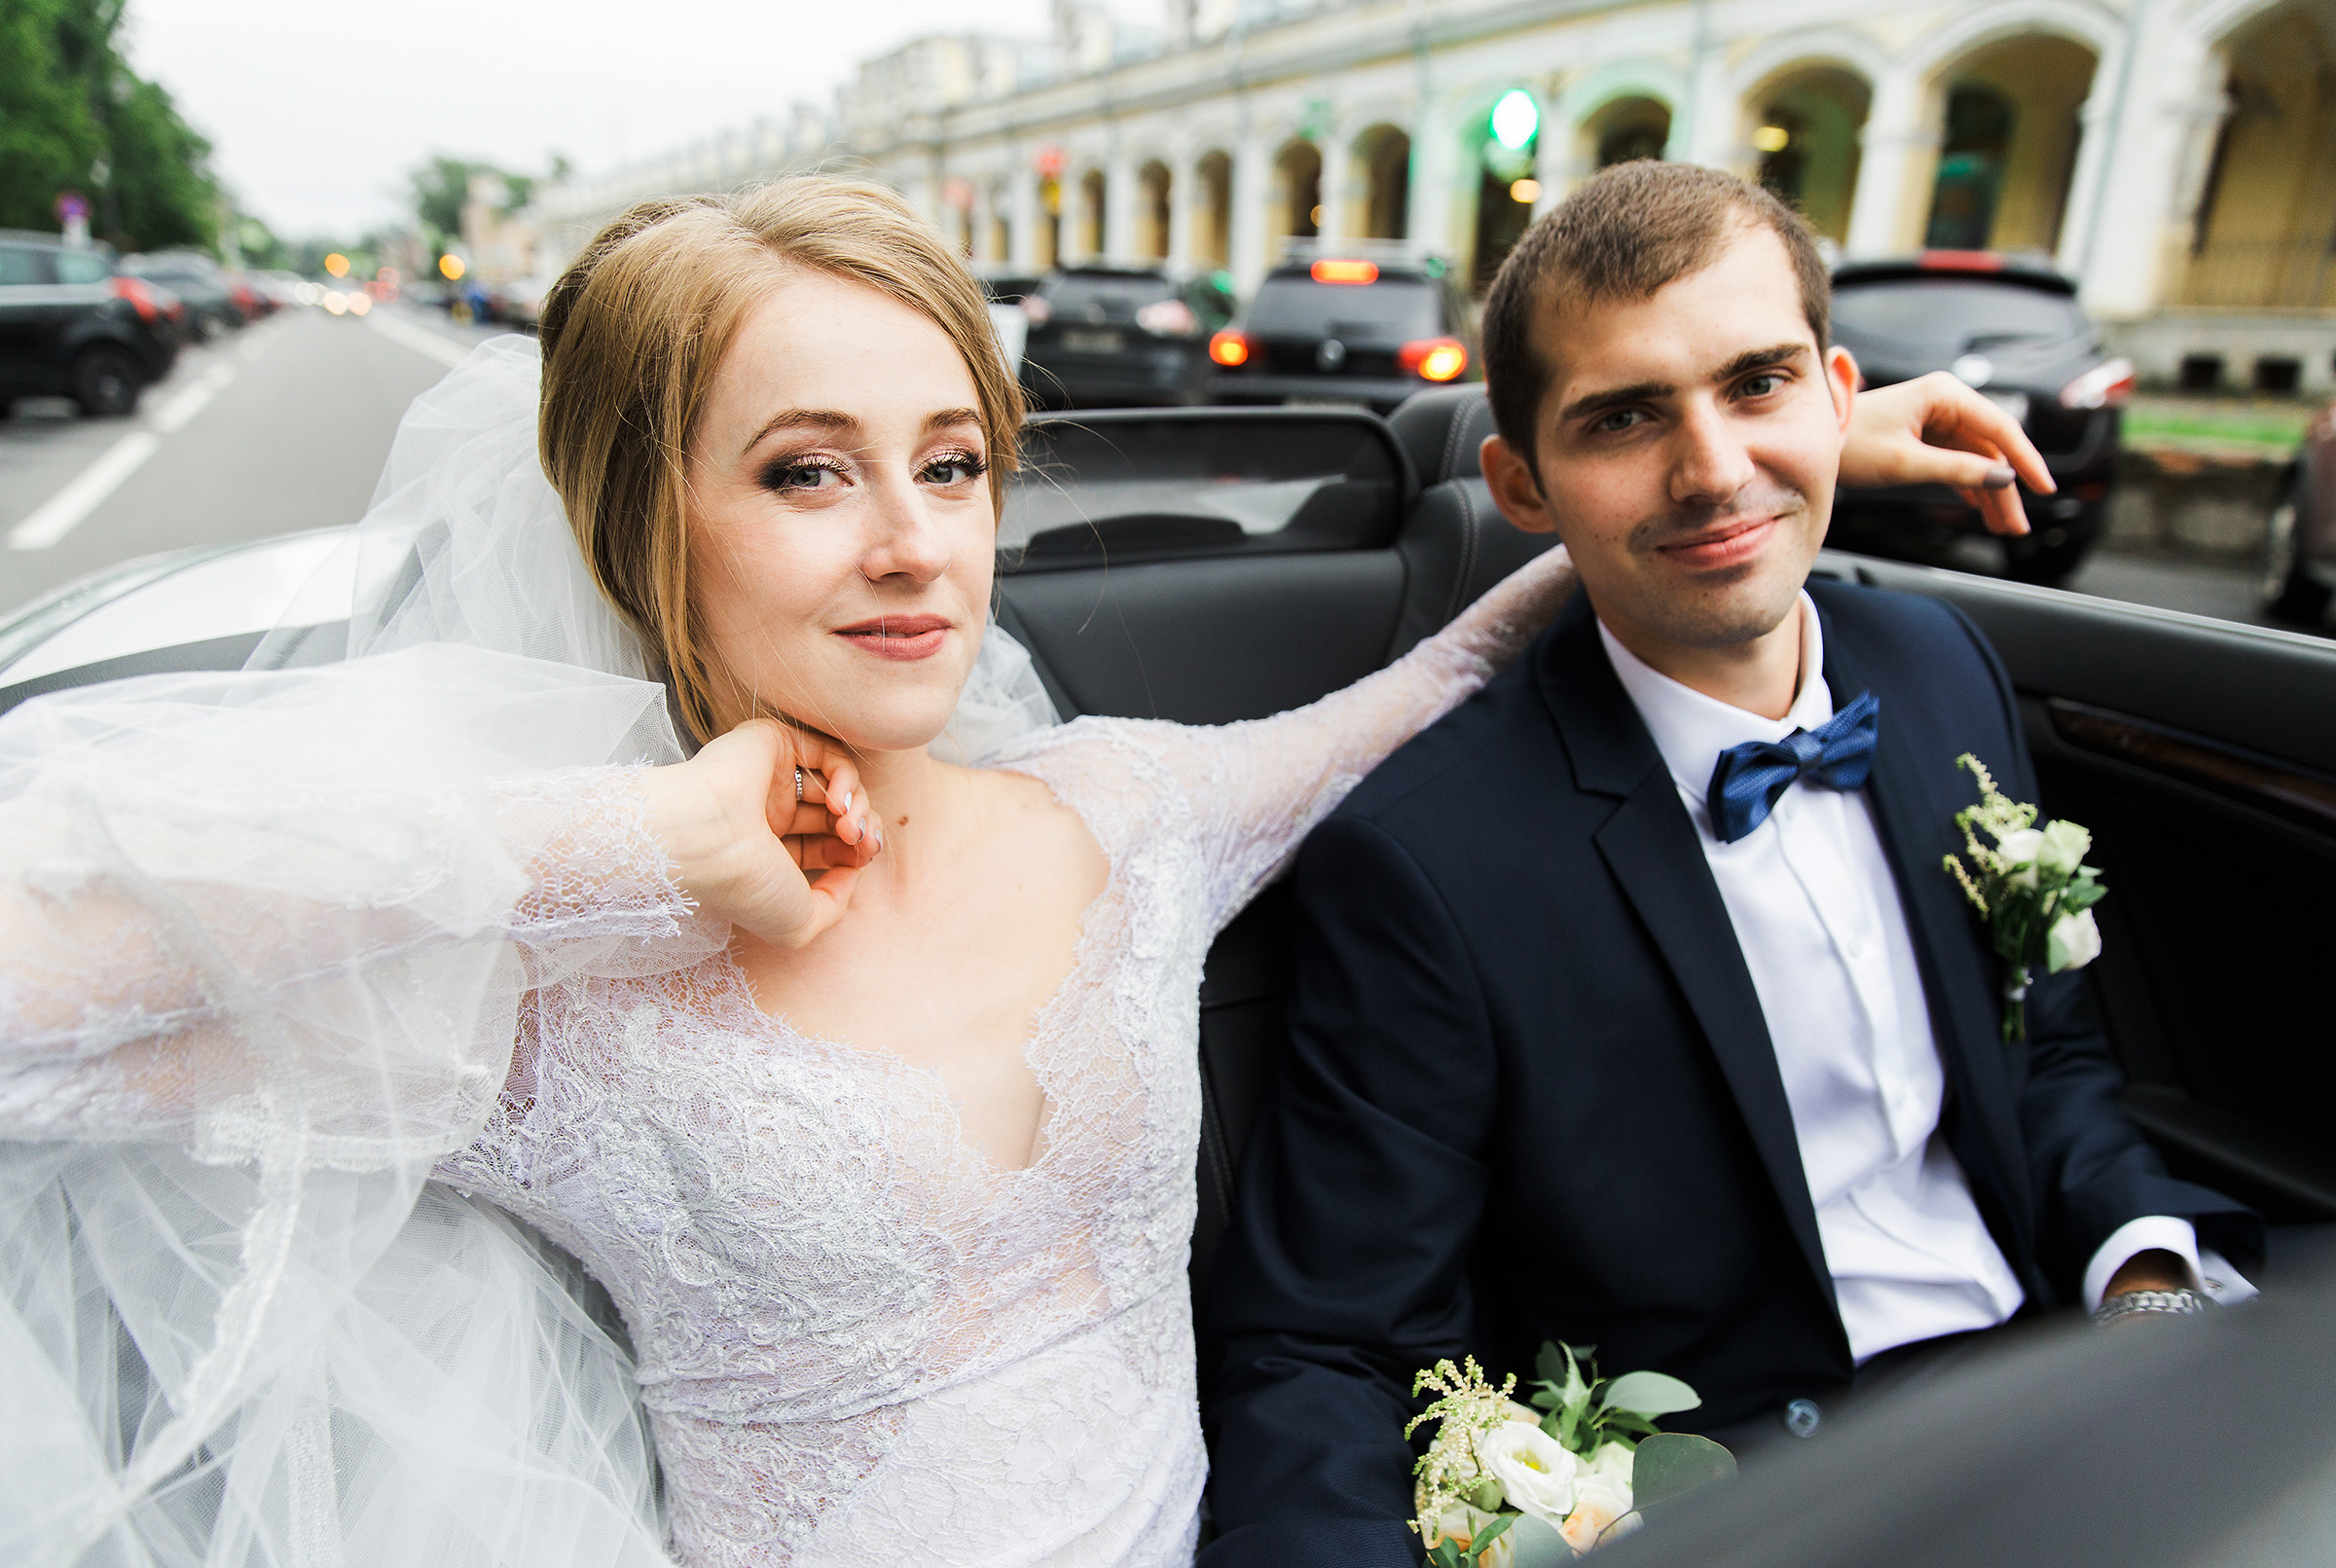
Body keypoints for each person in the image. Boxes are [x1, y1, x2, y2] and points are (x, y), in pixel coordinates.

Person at [0, 174, 2077, 1568]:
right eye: (808, 468)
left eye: (954, 459)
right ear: (650, 515)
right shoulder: (539, 962)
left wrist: (1778, 449)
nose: (913, 541)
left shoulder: (1127, 809)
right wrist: (625, 838)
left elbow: (1460, 656)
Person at [1196, 163, 2263, 1565]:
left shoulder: (1941, 670)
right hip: (1755, 1501)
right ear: (1522, 482)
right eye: (1625, 418)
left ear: (1835, 395)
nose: (1710, 471)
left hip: (2057, 1377)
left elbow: (2046, 1066)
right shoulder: (1425, 867)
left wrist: (2145, 1285)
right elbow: (1329, 1343)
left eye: (1755, 384)